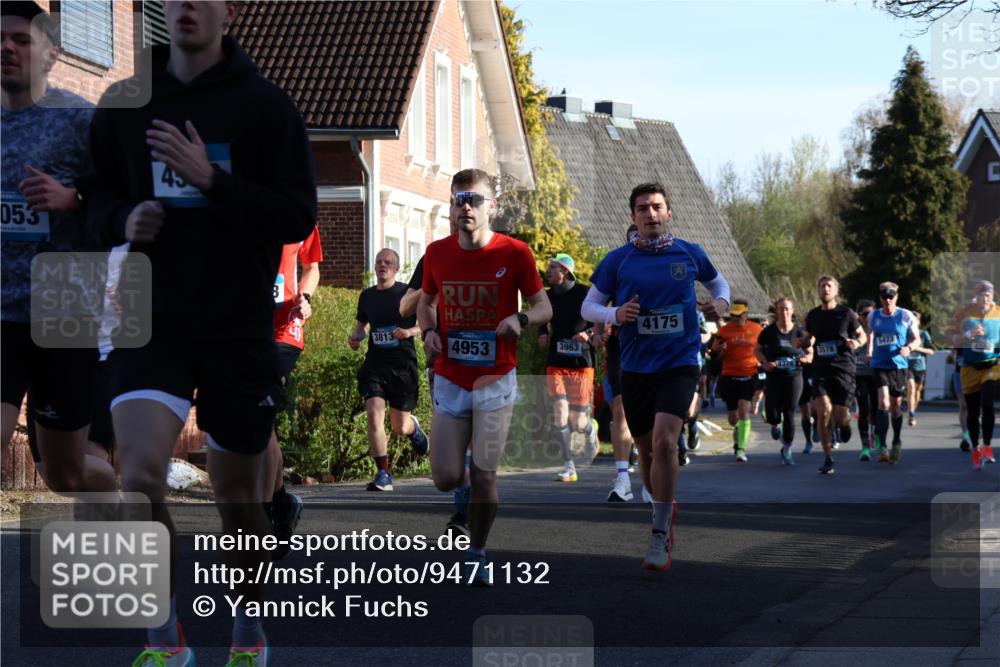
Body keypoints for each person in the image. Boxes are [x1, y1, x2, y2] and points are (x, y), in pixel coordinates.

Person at [86, 2, 317, 663]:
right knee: (136, 478)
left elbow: (296, 212)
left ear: (228, 9)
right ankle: (167, 641)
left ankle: (248, 632)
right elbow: (92, 195)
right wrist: (122, 219)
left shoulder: (266, 107)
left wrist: (212, 179)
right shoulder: (126, 103)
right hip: (148, 320)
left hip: (235, 326)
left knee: (239, 503)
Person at [582, 182, 730, 571]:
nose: (650, 214)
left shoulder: (690, 253)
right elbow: (590, 305)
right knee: (646, 452)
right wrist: (616, 315)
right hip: (635, 368)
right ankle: (659, 505)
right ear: (633, 217)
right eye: (643, 209)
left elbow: (719, 284)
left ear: (668, 213)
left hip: (679, 362)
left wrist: (720, 303)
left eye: (657, 207)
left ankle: (661, 531)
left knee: (666, 443)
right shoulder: (618, 260)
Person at [1, 1, 116, 495]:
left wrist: (75, 199)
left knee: (63, 473)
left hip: (65, 318)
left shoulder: (82, 123)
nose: (6, 47)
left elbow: (125, 204)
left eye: (21, 40)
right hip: (2, 315)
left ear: (50, 55)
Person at [419, 168, 551, 586]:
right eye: (459, 200)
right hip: (452, 377)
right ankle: (461, 493)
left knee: (486, 473)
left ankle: (476, 551)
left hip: (496, 376)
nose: (466, 208)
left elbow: (546, 307)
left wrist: (520, 317)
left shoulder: (515, 253)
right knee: (445, 477)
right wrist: (428, 332)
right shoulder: (437, 253)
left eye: (474, 200)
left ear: (491, 207)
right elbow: (425, 302)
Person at [349, 248, 429, 491]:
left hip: (403, 365)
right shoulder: (367, 296)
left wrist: (408, 332)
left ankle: (413, 428)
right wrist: (356, 336)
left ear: (395, 268)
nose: (382, 265)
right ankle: (383, 473)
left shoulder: (407, 293)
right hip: (375, 365)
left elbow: (426, 324)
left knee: (400, 426)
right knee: (374, 413)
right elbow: (362, 325)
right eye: (378, 262)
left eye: (387, 262)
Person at [266, 225, 322, 560]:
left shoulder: (298, 214)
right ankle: (279, 500)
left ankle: (269, 502)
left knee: (263, 406)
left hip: (284, 329)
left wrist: (306, 298)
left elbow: (311, 266)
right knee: (256, 420)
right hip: (241, 327)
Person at [537, 253, 599, 482]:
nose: (548, 271)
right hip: (556, 361)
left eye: (553, 268)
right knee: (560, 412)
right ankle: (568, 466)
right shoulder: (547, 296)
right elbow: (542, 319)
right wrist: (543, 333)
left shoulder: (585, 293)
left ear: (565, 271)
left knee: (578, 421)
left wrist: (588, 333)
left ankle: (590, 429)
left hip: (582, 362)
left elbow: (599, 322)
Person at [799, 275, 867, 475]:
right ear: (818, 290)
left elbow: (862, 335)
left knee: (840, 416)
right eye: (822, 286)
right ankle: (828, 457)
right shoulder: (812, 315)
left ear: (836, 290)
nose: (825, 289)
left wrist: (856, 343)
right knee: (823, 412)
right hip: (821, 369)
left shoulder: (846, 313)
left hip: (844, 369)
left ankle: (844, 426)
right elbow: (808, 337)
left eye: (829, 286)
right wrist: (803, 343)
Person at [946, 280, 1000, 471]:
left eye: (988, 295)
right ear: (975, 296)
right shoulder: (963, 314)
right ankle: (976, 447)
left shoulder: (999, 313)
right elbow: (949, 337)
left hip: (992, 365)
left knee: (987, 402)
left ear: (992, 295)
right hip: (969, 367)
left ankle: (987, 446)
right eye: (981, 295)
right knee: (973, 410)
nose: (984, 299)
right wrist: (968, 335)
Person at [865, 282, 919, 464]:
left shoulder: (905, 315)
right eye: (884, 297)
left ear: (897, 297)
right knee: (884, 402)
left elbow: (917, 338)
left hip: (898, 366)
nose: (887, 300)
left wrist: (909, 347)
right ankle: (883, 446)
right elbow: (870, 335)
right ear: (880, 298)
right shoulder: (873, 316)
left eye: (891, 297)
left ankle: (896, 440)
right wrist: (869, 352)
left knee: (895, 407)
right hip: (880, 364)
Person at [755, 297, 811, 465]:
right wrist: (764, 362)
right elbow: (756, 350)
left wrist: (806, 359)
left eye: (787, 309)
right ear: (777, 311)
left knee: (789, 412)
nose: (784, 312)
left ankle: (787, 448)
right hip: (773, 377)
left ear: (792, 311)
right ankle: (774, 424)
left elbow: (810, 351)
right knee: (772, 415)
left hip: (794, 376)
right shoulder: (769, 332)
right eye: (781, 309)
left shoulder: (799, 332)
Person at [711, 299, 762, 463]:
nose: (735, 318)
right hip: (729, 376)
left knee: (743, 411)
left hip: (749, 374)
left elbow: (765, 348)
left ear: (746, 313)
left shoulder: (756, 329)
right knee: (733, 418)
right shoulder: (724, 331)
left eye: (739, 315)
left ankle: (741, 449)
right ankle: (738, 438)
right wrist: (719, 350)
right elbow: (713, 354)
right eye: (733, 315)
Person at [853, 299, 878, 460]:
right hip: (859, 373)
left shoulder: (880, 327)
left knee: (876, 409)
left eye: (872, 314)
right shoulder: (854, 330)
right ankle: (864, 447)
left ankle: (874, 434)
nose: (868, 317)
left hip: (877, 373)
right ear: (859, 316)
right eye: (865, 314)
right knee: (863, 408)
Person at [906, 311, 935, 426]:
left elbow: (931, 351)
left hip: (920, 366)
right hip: (907, 365)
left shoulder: (923, 334)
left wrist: (916, 348)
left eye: (915, 320)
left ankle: (913, 410)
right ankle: (911, 414)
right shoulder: (904, 332)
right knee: (911, 389)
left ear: (918, 322)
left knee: (917, 391)